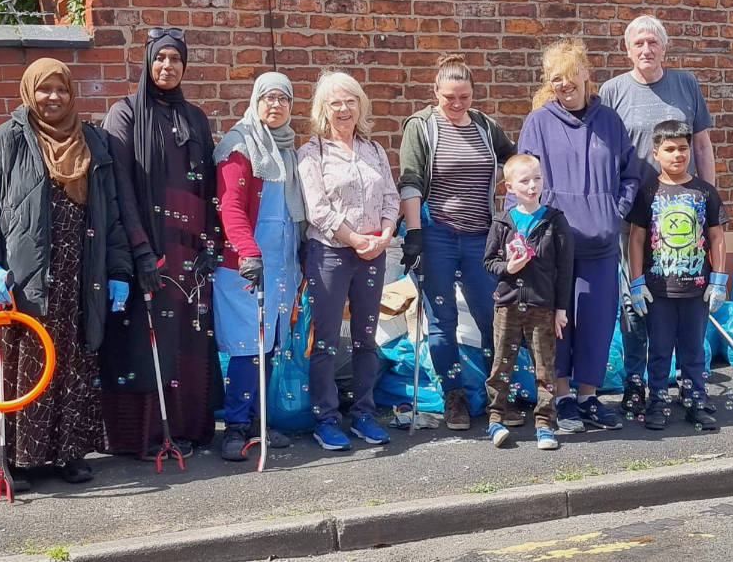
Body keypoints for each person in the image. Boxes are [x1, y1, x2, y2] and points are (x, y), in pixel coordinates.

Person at [0, 58, 133, 488]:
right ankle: (15, 459)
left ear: (71, 93)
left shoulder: (93, 142)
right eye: (44, 90)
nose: (53, 97)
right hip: (20, 281)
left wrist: (117, 270)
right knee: (20, 365)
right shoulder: (8, 140)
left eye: (61, 89)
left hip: (80, 275)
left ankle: (69, 452)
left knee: (73, 363)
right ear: (29, 93)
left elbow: (111, 216)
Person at [100, 28, 220, 459]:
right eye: (160, 58)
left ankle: (188, 428)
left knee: (187, 341)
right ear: (147, 63)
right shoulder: (126, 113)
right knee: (147, 342)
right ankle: (145, 436)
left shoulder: (196, 118)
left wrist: (211, 245)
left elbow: (208, 188)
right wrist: (140, 251)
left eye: (175, 59)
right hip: (148, 251)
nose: (167, 66)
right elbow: (121, 188)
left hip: (190, 254)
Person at [515, 37, 641, 433]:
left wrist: (614, 209)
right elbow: (523, 177)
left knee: (598, 320)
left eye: (570, 77)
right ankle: (563, 397)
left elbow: (631, 174)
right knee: (558, 322)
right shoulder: (538, 121)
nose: (564, 86)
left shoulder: (610, 121)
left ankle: (589, 396)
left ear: (587, 75)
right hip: (555, 246)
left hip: (601, 244)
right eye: (556, 80)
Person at [599, 14, 717, 417]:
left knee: (683, 298)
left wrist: (708, 202)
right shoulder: (612, 91)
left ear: (664, 47)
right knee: (635, 303)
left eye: (652, 43)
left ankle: (687, 387)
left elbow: (701, 145)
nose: (646, 51)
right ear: (627, 50)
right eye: (638, 45)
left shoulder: (685, 83)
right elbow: (604, 155)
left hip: (683, 214)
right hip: (631, 217)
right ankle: (636, 385)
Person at [397, 53, 516, 431]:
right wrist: (414, 233)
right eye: (449, 97)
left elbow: (515, 161)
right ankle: (455, 397)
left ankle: (499, 395)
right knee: (442, 321)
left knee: (493, 315)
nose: (457, 104)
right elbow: (411, 179)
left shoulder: (484, 126)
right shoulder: (421, 126)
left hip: (481, 235)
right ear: (435, 92)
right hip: (437, 235)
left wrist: (519, 209)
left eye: (464, 97)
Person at [297, 71, 399, 451]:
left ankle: (363, 413)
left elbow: (390, 195)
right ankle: (325, 418)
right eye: (335, 102)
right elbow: (317, 209)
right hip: (330, 254)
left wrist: (386, 233)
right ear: (323, 109)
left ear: (361, 105)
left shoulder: (373, 149)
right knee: (324, 340)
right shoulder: (312, 152)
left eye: (350, 101)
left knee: (366, 339)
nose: (344, 108)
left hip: (373, 254)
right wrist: (355, 239)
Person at [213, 72, 305, 461]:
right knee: (246, 348)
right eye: (267, 98)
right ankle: (234, 428)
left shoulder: (288, 149)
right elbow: (230, 207)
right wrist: (248, 252)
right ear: (255, 101)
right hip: (245, 266)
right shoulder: (240, 145)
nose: (275, 105)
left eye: (283, 99)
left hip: (281, 264)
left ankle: (258, 422)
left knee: (268, 348)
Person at [626, 120, 727, 431]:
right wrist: (637, 282)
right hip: (659, 290)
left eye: (683, 148)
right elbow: (636, 239)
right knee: (658, 349)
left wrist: (719, 280)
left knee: (694, 349)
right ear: (656, 153)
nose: (678, 154)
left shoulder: (704, 192)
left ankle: (696, 399)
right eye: (670, 149)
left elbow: (717, 237)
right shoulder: (647, 193)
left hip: (696, 289)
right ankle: (657, 401)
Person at [483, 155, 573, 450]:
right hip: (507, 305)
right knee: (501, 365)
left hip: (542, 305)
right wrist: (508, 268)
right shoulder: (502, 220)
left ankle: (545, 424)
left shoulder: (554, 220)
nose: (532, 185)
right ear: (509, 186)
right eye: (525, 180)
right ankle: (495, 419)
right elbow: (489, 261)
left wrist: (561, 308)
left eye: (537, 178)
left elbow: (565, 269)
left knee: (544, 367)